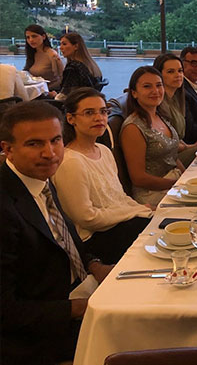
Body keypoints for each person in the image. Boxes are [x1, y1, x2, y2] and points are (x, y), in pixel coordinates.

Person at [0, 101, 112, 365]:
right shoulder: (5, 207)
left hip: (76, 295)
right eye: (34, 144)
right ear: (8, 149)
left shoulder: (40, 180)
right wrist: (81, 308)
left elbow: (65, 240)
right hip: (37, 336)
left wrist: (95, 266)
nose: (49, 153)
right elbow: (6, 310)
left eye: (55, 140)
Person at [53, 88, 152, 264]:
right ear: (71, 119)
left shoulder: (104, 151)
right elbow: (87, 218)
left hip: (121, 225)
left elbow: (119, 197)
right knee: (161, 234)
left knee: (165, 222)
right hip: (97, 239)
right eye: (89, 113)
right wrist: (135, 211)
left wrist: (140, 209)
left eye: (103, 111)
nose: (99, 118)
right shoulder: (71, 162)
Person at [120, 66, 184, 206]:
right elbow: (139, 178)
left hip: (173, 185)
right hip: (153, 195)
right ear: (134, 93)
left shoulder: (160, 116)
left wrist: (187, 178)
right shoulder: (133, 128)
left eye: (159, 85)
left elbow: (173, 155)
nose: (155, 91)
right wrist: (177, 184)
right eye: (147, 86)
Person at [153, 53, 197, 166]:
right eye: (171, 72)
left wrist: (188, 146)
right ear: (158, 75)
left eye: (180, 71)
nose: (178, 75)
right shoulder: (157, 103)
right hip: (169, 158)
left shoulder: (176, 98)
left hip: (180, 150)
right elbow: (166, 143)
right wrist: (188, 147)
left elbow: (176, 135)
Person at [56, 32, 102, 100]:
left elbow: (64, 96)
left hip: (75, 103)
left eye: (64, 44)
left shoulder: (73, 68)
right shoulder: (90, 65)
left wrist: (53, 95)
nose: (60, 48)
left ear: (76, 46)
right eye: (60, 44)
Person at [23, 24, 63, 91]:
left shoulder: (52, 55)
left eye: (34, 36)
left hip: (49, 92)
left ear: (43, 36)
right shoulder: (32, 54)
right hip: (35, 90)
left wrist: (45, 90)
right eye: (28, 37)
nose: (31, 40)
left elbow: (61, 79)